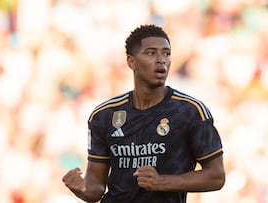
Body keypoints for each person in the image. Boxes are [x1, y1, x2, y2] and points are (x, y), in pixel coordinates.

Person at [62, 24, 225, 203]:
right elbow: (96, 188)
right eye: (151, 53)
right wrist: (82, 188)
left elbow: (216, 176)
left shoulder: (190, 111)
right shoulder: (105, 115)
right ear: (131, 62)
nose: (161, 59)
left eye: (166, 53)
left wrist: (162, 181)